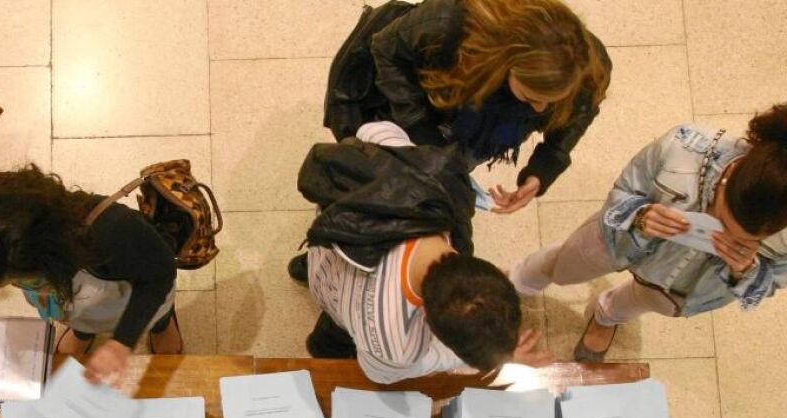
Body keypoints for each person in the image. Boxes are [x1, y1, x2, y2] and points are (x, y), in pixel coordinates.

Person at [298, 0, 611, 280]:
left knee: (429, 198)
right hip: (410, 112)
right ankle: (333, 253)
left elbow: (581, 112)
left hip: (470, 131)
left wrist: (543, 169)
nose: (540, 110)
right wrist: (422, 133)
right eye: (531, 98)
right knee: (373, 181)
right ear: (507, 62)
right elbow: (385, 49)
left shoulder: (583, 65)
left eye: (552, 101)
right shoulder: (448, 23)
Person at [511, 108, 787, 362]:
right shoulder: (683, 147)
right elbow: (624, 190)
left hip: (685, 286)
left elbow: (774, 280)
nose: (718, 235)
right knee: (562, 266)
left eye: (744, 240)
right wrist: (638, 214)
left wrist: (746, 271)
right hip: (617, 239)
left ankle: (606, 316)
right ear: (728, 179)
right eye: (721, 219)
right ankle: (518, 281)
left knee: (634, 303)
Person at [302, 122, 550, 383]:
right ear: (427, 321)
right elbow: (380, 372)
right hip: (335, 296)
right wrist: (489, 358)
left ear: (493, 271)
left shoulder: (436, 180)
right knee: (333, 338)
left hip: (328, 244)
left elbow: (374, 131)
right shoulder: (395, 346)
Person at [0, 164, 184, 385]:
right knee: (85, 318)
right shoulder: (19, 240)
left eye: (5, 282)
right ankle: (83, 331)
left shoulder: (115, 232)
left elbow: (160, 275)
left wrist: (123, 341)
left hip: (126, 289)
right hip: (78, 302)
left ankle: (161, 324)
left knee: (155, 311)